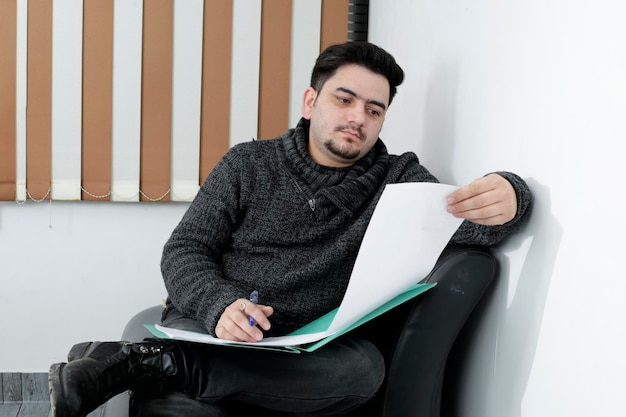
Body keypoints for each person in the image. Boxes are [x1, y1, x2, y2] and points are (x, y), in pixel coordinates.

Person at [48, 41, 532, 417]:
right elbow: (184, 250)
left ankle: (149, 363)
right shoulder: (247, 163)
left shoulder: (399, 179)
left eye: (374, 109)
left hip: (307, 351)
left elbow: (471, 228)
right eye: (345, 99)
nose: (357, 118)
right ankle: (173, 363)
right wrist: (220, 307)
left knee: (363, 370)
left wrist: (511, 196)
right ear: (310, 101)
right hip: (212, 326)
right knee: (178, 407)